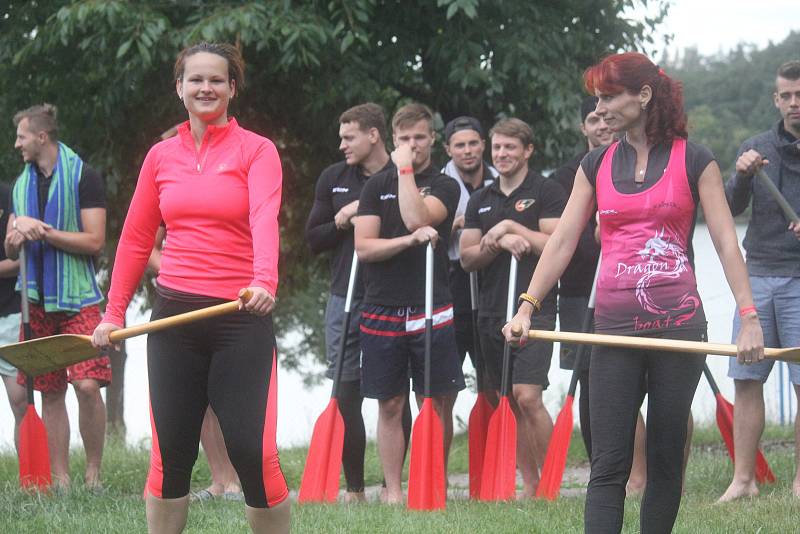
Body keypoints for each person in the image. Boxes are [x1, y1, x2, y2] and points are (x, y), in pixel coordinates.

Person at [503, 52, 764, 533]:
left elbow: (727, 242)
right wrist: (527, 307)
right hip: (614, 330)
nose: (598, 108)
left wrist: (749, 316)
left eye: (608, 97)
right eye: (596, 98)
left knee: (665, 456)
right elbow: (561, 240)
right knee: (608, 462)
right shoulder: (596, 162)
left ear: (642, 96)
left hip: (679, 328)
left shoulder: (697, 158)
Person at [91, 43, 289, 533]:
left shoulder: (257, 151)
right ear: (179, 88)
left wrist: (264, 279)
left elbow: (266, 218)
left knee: (252, 451)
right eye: (195, 80)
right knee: (171, 455)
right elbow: (137, 237)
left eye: (217, 80)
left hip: (240, 318)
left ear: (232, 88)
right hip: (174, 319)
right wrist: (113, 313)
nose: (206, 88)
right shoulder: (160, 157)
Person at [354, 102, 465, 504]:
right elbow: (364, 247)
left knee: (433, 402)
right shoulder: (373, 185)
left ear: (432, 139)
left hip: (432, 306)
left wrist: (403, 172)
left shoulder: (446, 184)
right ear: (393, 140)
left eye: (419, 138)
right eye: (404, 139)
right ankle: (394, 491)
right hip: (381, 306)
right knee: (390, 402)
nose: (412, 146)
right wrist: (405, 242)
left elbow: (420, 217)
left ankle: (431, 482)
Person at [305, 102, 411, 502]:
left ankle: (391, 485)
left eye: (349, 137)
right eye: (340, 137)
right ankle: (354, 488)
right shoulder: (333, 178)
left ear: (373, 135)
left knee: (394, 394)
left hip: (393, 297)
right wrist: (341, 217)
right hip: (343, 299)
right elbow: (313, 239)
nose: (342, 145)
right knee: (345, 391)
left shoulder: (400, 175)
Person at [460, 117, 566, 498]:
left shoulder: (546, 191)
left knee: (527, 395)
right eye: (498, 148)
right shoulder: (480, 199)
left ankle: (554, 480)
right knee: (504, 399)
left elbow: (556, 245)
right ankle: (531, 483)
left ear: (528, 151)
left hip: (535, 308)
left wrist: (512, 227)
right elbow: (468, 257)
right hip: (490, 311)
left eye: (510, 148)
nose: (502, 154)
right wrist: (495, 243)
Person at [6, 104, 108, 489]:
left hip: (79, 297)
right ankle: (61, 480)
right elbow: (12, 252)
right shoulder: (21, 185)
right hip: (35, 301)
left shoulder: (86, 177)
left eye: (22, 136)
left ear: (41, 137)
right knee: (49, 389)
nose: (17, 144)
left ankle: (93, 474)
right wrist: (16, 238)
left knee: (86, 385)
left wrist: (41, 231)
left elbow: (94, 241)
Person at [719, 59, 800, 502]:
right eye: (786, 95)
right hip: (756, 279)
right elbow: (729, 207)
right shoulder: (756, 147)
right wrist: (741, 173)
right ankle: (744, 480)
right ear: (776, 99)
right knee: (746, 379)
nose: (794, 103)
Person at [148, 224, 242, 502]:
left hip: (230, 302)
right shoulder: (167, 189)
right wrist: (180, 276)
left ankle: (237, 479)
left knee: (227, 394)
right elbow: (147, 248)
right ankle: (220, 480)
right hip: (181, 303)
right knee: (197, 399)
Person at [550, 96, 608, 459]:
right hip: (578, 292)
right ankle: (599, 465)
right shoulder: (562, 178)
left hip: (629, 289)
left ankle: (645, 470)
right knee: (590, 379)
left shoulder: (639, 166)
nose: (601, 125)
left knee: (637, 380)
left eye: (606, 118)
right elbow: (570, 240)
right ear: (582, 127)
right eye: (593, 119)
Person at [0, 182, 24, 451]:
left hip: (9, 312)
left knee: (20, 400)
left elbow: (19, 260)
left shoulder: (10, 195)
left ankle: (29, 478)